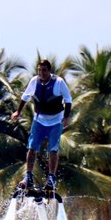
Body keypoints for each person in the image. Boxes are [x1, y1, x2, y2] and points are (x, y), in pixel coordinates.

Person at [10, 59, 73, 193]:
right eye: (39, 70)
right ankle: (28, 176)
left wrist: (66, 117)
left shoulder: (59, 82)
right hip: (39, 120)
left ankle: (51, 178)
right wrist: (18, 112)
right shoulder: (34, 81)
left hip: (56, 121)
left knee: (53, 149)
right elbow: (25, 97)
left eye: (44, 70)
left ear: (49, 70)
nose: (41, 73)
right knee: (32, 148)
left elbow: (68, 100)